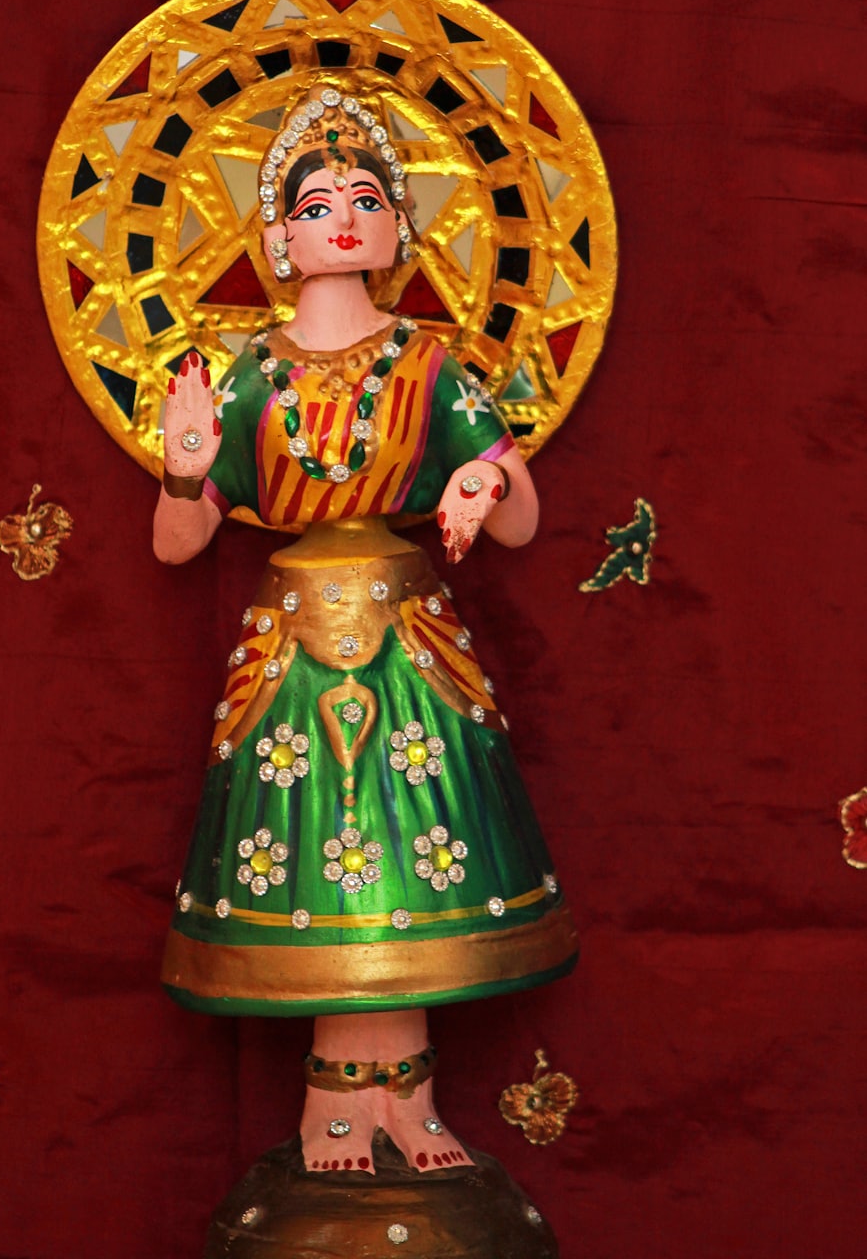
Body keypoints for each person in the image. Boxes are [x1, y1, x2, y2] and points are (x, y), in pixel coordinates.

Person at [155, 84, 577, 1174]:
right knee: (315, 857)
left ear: (400, 229)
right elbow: (177, 543)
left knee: (411, 855)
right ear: (276, 240)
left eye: (366, 199)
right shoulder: (247, 376)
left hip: (410, 641)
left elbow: (521, 518)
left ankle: (409, 1101)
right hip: (291, 648)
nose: (342, 218)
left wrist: (485, 481)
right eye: (315, 205)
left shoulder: (429, 366)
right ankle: (333, 1108)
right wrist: (185, 468)